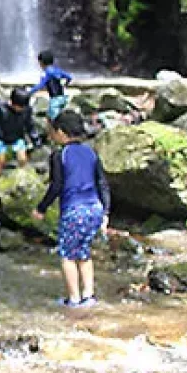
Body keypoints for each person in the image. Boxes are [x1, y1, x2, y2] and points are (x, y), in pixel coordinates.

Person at [31, 110, 111, 308]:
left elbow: (56, 185)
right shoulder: (91, 152)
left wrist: (41, 208)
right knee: (83, 253)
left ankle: (74, 299)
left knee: (68, 255)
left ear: (61, 132)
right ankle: (89, 296)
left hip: (74, 210)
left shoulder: (60, 155)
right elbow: (102, 183)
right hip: (95, 208)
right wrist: (106, 212)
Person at [0, 87, 39, 179]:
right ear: (13, 103)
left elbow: (30, 125)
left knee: (22, 159)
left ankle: (22, 178)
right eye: (20, 107)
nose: (21, 109)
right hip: (0, 137)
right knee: (1, 160)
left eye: (23, 107)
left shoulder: (27, 109)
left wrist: (36, 141)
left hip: (17, 137)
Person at [29, 49, 73, 122]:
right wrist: (66, 85)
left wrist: (29, 92)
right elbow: (69, 77)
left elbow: (40, 85)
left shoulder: (46, 73)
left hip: (55, 100)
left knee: (53, 121)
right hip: (63, 98)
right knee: (57, 117)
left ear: (41, 62)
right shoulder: (57, 70)